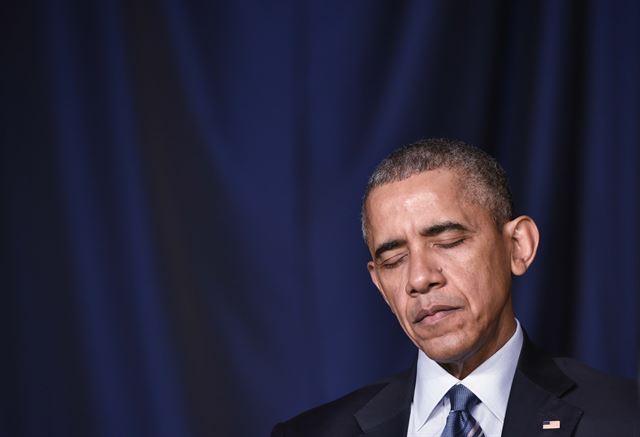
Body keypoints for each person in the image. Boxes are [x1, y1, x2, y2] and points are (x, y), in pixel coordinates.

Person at [271, 138, 638, 437]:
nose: (419, 278)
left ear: (518, 247)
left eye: (448, 241)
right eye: (394, 260)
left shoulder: (625, 419)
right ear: (380, 285)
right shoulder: (309, 433)